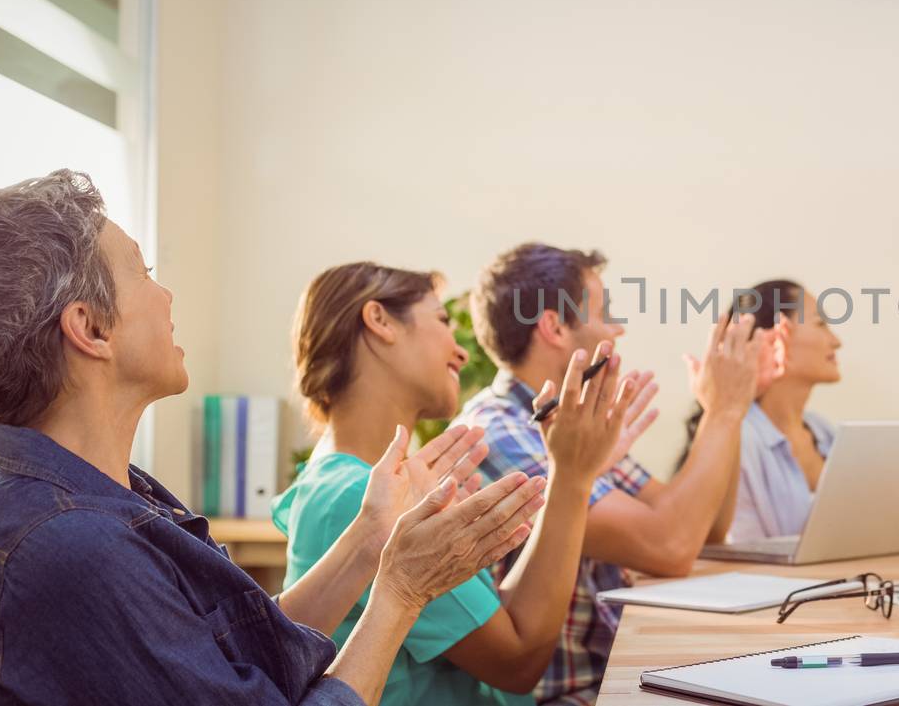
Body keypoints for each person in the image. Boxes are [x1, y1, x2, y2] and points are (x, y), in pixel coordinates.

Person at [0, 170, 547, 706]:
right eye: (144, 272)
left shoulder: (109, 501)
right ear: (91, 328)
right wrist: (401, 589)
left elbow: (244, 663)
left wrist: (371, 538)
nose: (166, 292)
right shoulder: (72, 551)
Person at [279, 263, 650, 706]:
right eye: (441, 320)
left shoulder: (346, 481)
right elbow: (518, 662)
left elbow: (503, 626)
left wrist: (576, 474)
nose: (459, 352)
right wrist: (570, 478)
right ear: (379, 322)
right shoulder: (355, 497)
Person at [452, 243, 761, 705]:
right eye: (605, 312)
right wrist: (722, 411)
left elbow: (704, 528)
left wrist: (729, 412)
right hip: (577, 694)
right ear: (555, 326)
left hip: (626, 665)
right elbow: (671, 546)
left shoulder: (574, 419)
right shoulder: (497, 432)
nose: (617, 328)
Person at [685, 280, 842, 542]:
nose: (836, 341)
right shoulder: (739, 439)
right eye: (820, 324)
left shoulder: (825, 432)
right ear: (777, 335)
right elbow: (736, 552)